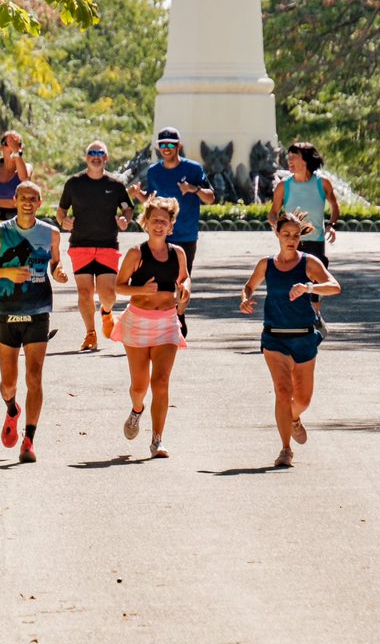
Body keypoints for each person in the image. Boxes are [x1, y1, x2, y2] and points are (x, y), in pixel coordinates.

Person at [239, 211, 341, 468]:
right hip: (274, 337)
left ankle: (293, 417)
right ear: (277, 234)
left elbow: (334, 286)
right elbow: (249, 285)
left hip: (304, 337)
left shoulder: (309, 263)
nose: (291, 239)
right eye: (286, 234)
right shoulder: (267, 264)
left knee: (303, 399)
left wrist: (309, 287)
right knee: (283, 393)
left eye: (295, 235)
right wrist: (245, 298)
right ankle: (286, 449)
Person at [0, 181, 68, 464]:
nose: (28, 202)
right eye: (23, 197)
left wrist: (60, 271)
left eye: (33, 198)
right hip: (6, 311)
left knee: (34, 377)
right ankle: (11, 409)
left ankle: (29, 440)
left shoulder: (51, 233)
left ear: (40, 202)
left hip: (38, 310)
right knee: (9, 383)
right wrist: (7, 273)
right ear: (15, 200)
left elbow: (55, 263)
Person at [112, 195, 189, 459]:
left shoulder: (177, 253)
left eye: (164, 221)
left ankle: (157, 440)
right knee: (139, 386)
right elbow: (119, 287)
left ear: (171, 225)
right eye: (154, 220)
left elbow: (185, 277)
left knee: (161, 382)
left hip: (167, 321)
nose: (159, 225)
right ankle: (136, 410)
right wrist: (141, 289)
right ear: (145, 222)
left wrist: (185, 290)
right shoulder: (136, 253)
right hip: (138, 322)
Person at [128, 126, 214, 337]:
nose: (166, 148)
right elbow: (152, 200)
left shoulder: (193, 169)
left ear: (179, 146)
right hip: (159, 235)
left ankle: (179, 315)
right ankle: (162, 318)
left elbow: (210, 198)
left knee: (182, 279)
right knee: (159, 277)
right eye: (163, 145)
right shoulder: (153, 171)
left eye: (171, 145)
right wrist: (139, 195)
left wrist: (193, 189)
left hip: (185, 234)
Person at [56, 140, 133, 352]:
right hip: (81, 245)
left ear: (106, 158)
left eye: (100, 153)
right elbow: (60, 211)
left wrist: (125, 220)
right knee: (85, 292)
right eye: (92, 153)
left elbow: (127, 209)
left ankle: (107, 313)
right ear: (86, 157)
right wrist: (63, 221)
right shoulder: (74, 183)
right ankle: (90, 333)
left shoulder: (115, 185)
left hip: (107, 245)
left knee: (107, 294)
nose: (96, 156)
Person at [268, 141, 340, 334]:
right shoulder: (284, 186)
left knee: (317, 276)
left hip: (316, 239)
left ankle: (315, 312)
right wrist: (277, 226)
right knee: (293, 276)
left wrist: (331, 226)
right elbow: (273, 212)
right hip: (292, 239)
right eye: (289, 157)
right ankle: (296, 317)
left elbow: (334, 206)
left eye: (294, 157)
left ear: (306, 160)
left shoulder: (322, 183)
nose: (289, 161)